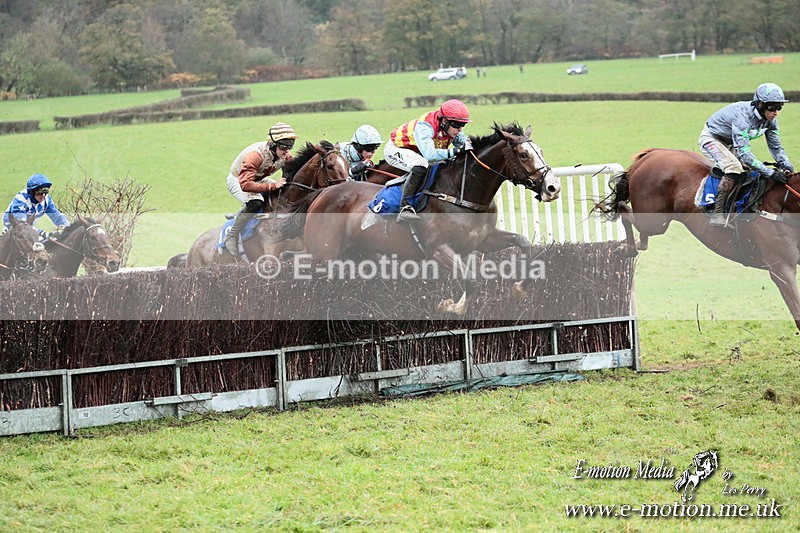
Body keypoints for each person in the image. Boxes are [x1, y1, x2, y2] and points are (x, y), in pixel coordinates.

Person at [698, 82, 794, 227]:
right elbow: (744, 154)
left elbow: (776, 147)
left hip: (731, 142)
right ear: (761, 104)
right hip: (712, 138)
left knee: (749, 171)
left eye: (779, 108)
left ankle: (739, 207)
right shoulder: (742, 117)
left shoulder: (771, 121)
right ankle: (717, 214)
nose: (776, 112)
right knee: (734, 167)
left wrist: (786, 164)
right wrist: (771, 173)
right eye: (773, 108)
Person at [384, 99, 472, 223]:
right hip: (396, 149)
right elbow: (430, 156)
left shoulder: (449, 127)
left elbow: (465, 143)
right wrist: (456, 151)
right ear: (445, 121)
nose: (460, 129)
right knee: (421, 165)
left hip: (418, 152)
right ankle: (405, 207)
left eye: (463, 125)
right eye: (457, 125)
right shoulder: (425, 126)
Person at [224, 121, 298, 258]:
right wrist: (272, 185)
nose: (287, 151)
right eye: (283, 147)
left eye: (290, 147)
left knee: (282, 191)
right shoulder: (255, 155)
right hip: (238, 180)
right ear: (274, 144)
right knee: (255, 203)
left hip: (258, 178)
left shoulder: (284, 155)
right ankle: (232, 234)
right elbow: (245, 184)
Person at [3, 173, 69, 239]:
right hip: (13, 230)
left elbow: (57, 216)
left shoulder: (46, 200)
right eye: (40, 192)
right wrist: (43, 233)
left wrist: (66, 227)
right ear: (32, 191)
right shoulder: (20, 200)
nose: (43, 195)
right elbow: (22, 227)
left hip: (29, 228)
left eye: (46, 191)